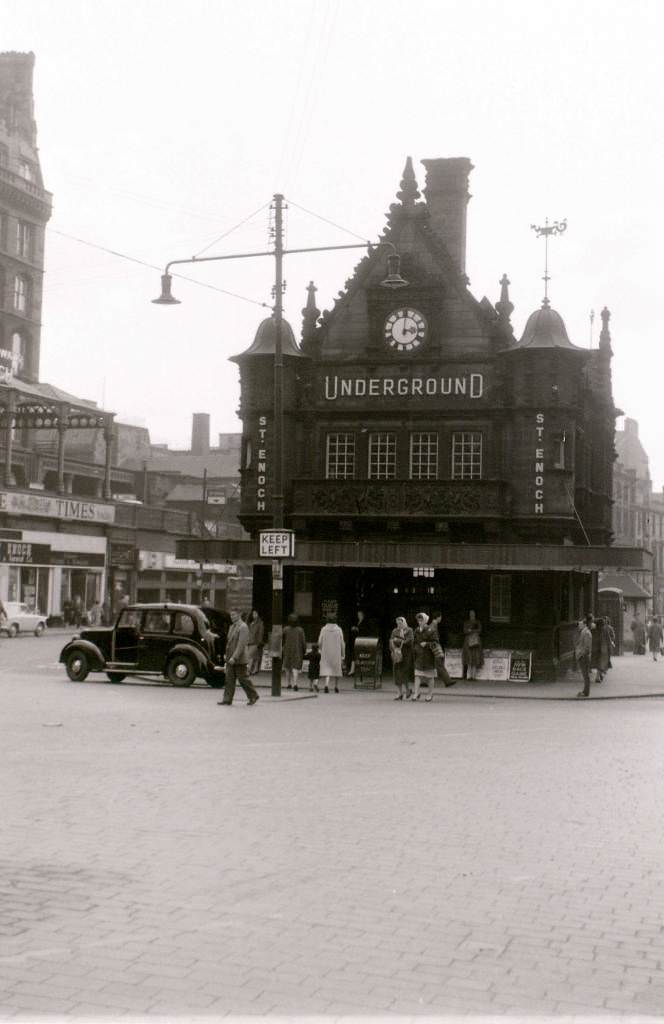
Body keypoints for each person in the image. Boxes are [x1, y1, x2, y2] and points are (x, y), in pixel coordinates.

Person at [218, 607, 260, 706]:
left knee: (243, 679)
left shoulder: (243, 627)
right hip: (230, 657)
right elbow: (229, 643)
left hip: (239, 659)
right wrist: (227, 655)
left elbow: (241, 644)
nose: (232, 617)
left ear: (239, 615)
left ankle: (253, 695)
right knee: (229, 680)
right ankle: (227, 699)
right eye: (231, 615)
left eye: (234, 615)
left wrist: (234, 657)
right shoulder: (232, 626)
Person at [411, 612, 439, 701]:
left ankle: (430, 694)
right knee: (417, 675)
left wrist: (427, 644)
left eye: (421, 620)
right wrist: (415, 649)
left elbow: (436, 643)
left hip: (428, 656)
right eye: (418, 620)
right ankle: (416, 693)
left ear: (425, 621)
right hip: (419, 656)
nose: (420, 622)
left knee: (430, 676)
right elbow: (414, 642)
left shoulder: (431, 630)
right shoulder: (416, 630)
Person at [318, 613, 345, 693]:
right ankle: (336, 686)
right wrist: (343, 654)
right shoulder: (339, 629)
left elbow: (320, 641)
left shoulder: (323, 629)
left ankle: (326, 684)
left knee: (327, 669)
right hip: (336, 652)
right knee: (337, 669)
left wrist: (321, 649)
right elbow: (342, 643)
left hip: (326, 652)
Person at [389, 615, 414, 700]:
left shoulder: (409, 630)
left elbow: (410, 641)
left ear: (404, 622)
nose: (399, 625)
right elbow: (391, 641)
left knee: (404, 673)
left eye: (401, 623)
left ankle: (407, 690)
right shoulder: (394, 630)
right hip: (397, 654)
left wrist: (398, 640)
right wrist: (393, 649)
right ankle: (399, 693)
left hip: (406, 655)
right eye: (398, 623)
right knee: (397, 673)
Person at [431, 612, 456, 690]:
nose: (441, 619)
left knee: (437, 664)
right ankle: (447, 681)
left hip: (434, 646)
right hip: (435, 646)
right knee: (439, 664)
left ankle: (447, 680)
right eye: (440, 617)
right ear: (438, 617)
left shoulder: (434, 625)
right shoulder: (433, 625)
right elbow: (432, 636)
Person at [283, 613, 306, 690]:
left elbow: (282, 639)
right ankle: (295, 684)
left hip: (287, 650)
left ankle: (288, 684)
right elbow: (303, 641)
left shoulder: (285, 629)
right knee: (295, 668)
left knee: (287, 667)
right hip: (297, 650)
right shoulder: (300, 630)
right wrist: (304, 650)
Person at [575, 615, 593, 698]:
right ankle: (585, 691)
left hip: (584, 656)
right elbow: (586, 647)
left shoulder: (585, 632)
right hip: (584, 656)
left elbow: (586, 647)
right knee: (585, 675)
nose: (592, 624)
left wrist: (581, 655)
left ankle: (586, 692)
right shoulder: (586, 632)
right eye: (591, 622)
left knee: (585, 675)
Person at [462, 609, 483, 681]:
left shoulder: (478, 622)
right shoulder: (466, 622)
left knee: (475, 658)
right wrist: (470, 631)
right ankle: (470, 676)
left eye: (473, 613)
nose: (472, 615)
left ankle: (474, 676)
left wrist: (471, 630)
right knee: (469, 658)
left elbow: (480, 630)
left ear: (475, 614)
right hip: (468, 642)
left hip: (475, 641)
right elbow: (464, 631)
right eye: (470, 613)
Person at [246, 610, 265, 676]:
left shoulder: (260, 623)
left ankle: (248, 671)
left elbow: (260, 633)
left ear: (258, 615)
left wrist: (259, 642)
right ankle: (255, 670)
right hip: (249, 641)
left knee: (249, 656)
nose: (254, 615)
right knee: (255, 656)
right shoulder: (251, 622)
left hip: (255, 642)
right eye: (253, 614)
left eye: (255, 614)